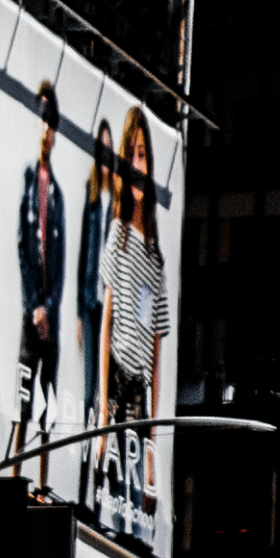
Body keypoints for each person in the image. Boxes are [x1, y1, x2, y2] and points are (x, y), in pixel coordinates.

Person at [101, 105, 169, 525]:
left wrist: (153, 445)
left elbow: (157, 353)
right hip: (116, 379)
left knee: (132, 512)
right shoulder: (117, 236)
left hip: (139, 391)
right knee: (109, 498)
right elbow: (107, 321)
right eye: (132, 154)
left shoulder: (155, 258)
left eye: (143, 154)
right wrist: (101, 408)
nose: (137, 165)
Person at [10, 80, 66, 472]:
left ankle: (42, 484)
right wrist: (34, 307)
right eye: (40, 119)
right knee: (21, 400)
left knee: (48, 401)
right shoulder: (30, 180)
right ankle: (12, 473)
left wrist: (50, 307)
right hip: (33, 317)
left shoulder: (58, 193)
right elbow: (21, 245)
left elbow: (60, 263)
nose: (45, 129)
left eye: (51, 121)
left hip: (53, 318)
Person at [73, 115, 118, 494]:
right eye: (99, 149)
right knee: (89, 394)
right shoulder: (91, 201)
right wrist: (76, 311)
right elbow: (81, 259)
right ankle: (85, 479)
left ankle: (102, 477)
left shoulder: (118, 208)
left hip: (111, 313)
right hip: (90, 303)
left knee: (109, 400)